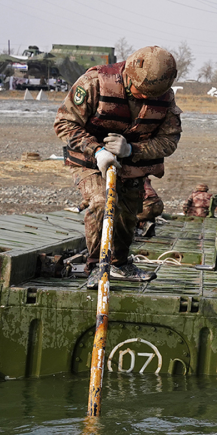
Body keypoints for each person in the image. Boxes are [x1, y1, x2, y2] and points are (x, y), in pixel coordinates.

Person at [54, 46, 181, 289]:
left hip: (130, 164)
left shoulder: (163, 96)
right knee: (102, 202)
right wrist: (97, 150)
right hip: (88, 161)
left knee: (128, 212)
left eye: (149, 96)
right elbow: (64, 123)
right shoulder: (95, 82)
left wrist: (132, 150)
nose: (144, 98)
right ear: (129, 76)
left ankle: (119, 264)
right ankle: (95, 266)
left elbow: (169, 141)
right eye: (139, 93)